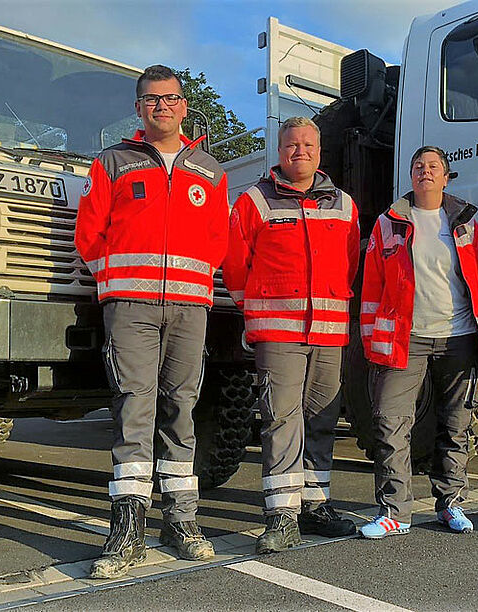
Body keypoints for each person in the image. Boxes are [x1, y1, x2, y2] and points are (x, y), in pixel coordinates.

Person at [75, 65, 230, 578]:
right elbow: (90, 232)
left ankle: (181, 521)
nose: (161, 107)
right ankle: (126, 530)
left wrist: (200, 283)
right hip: (131, 309)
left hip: (190, 310)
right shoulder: (113, 162)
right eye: (151, 100)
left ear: (184, 106)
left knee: (182, 406)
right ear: (138, 107)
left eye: (170, 99)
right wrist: (113, 283)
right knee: (134, 407)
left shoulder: (209, 170)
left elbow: (217, 240)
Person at [223, 116, 360, 553]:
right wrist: (256, 308)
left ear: (320, 152)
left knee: (321, 418)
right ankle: (281, 515)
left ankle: (315, 506)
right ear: (279, 151)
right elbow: (235, 264)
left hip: (328, 330)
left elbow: (350, 263)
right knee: (281, 418)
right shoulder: (255, 200)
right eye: (291, 145)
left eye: (308, 145)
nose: (299, 151)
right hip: (278, 331)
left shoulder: (344, 204)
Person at [358, 146, 478, 539]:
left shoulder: (469, 221)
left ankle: (451, 504)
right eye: (418, 166)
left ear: (446, 176)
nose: (425, 172)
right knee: (390, 422)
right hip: (407, 337)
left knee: (456, 424)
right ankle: (394, 512)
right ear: (411, 175)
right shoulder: (391, 222)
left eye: (433, 166)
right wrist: (372, 342)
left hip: (460, 337)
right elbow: (372, 285)